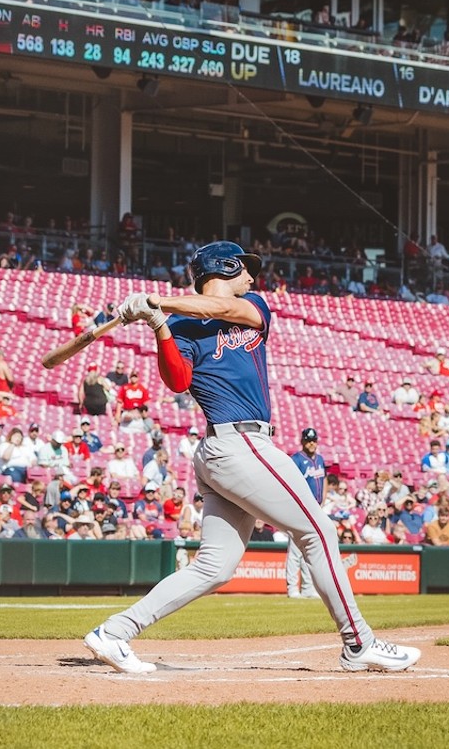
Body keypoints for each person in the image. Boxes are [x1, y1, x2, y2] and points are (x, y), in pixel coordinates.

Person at [84, 241, 420, 674]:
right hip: (235, 444)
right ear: (223, 267)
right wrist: (159, 326)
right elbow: (177, 380)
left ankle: (113, 633)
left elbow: (226, 311)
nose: (252, 277)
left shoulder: (252, 306)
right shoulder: (182, 325)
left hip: (236, 449)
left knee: (214, 566)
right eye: (245, 268)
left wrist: (157, 302)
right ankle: (359, 643)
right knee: (318, 530)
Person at [285, 428, 324, 599]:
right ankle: (292, 588)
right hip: (300, 510)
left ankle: (308, 588)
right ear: (302, 441)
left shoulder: (320, 459)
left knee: (310, 550)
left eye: (314, 440)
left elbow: (324, 480)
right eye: (308, 440)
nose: (312, 443)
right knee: (295, 551)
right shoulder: (296, 459)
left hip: (316, 509)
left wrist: (323, 499)